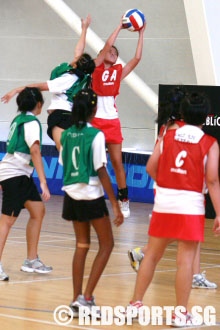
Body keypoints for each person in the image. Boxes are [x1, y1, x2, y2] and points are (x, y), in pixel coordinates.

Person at [127, 92, 220, 327]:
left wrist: (169, 183)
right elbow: (212, 180)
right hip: (190, 205)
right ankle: (180, 314)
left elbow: (150, 168)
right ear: (206, 116)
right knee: (185, 261)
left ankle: (134, 305)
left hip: (165, 202)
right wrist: (219, 213)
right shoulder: (209, 143)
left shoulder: (168, 135)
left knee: (152, 256)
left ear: (183, 113)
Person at [59, 88, 123, 315]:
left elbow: (63, 162)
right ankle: (86, 298)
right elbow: (101, 170)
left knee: (82, 245)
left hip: (71, 194)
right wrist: (115, 203)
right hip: (90, 195)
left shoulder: (66, 134)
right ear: (94, 109)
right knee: (107, 245)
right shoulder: (96, 134)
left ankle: (76, 299)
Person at [1, 15, 94, 151]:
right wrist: (84, 29)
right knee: (70, 152)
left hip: (62, 115)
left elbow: (39, 86)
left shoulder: (68, 79)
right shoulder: (80, 74)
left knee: (65, 152)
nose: (78, 56)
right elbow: (79, 51)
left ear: (78, 64)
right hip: (69, 115)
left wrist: (16, 90)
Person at [91, 21, 146, 218]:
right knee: (96, 162)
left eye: (116, 52)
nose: (113, 52)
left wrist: (141, 34)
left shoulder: (117, 72)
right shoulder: (95, 68)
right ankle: (92, 198)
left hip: (112, 121)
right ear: (102, 53)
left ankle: (124, 200)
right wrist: (119, 28)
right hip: (95, 121)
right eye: (110, 50)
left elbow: (137, 58)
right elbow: (107, 45)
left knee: (117, 162)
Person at [0, 87, 52, 281]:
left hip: (21, 173)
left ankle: (31, 260)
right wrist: (44, 183)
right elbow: (35, 151)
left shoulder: (18, 119)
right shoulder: (31, 122)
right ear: (38, 104)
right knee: (7, 220)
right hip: (15, 174)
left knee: (38, 211)